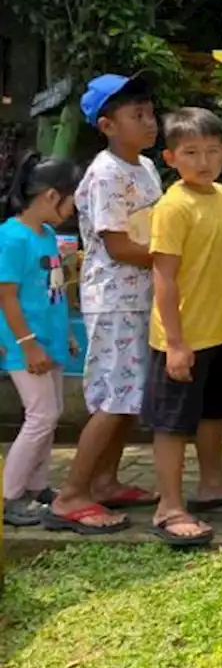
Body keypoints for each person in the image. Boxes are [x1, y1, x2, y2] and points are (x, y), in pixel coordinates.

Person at [48, 74, 162, 534]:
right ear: (107, 124)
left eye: (151, 114)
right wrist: (177, 254)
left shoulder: (145, 167)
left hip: (142, 297)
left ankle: (106, 480)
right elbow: (119, 247)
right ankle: (71, 494)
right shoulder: (106, 174)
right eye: (138, 116)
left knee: (129, 398)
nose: (150, 123)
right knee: (113, 400)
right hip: (116, 300)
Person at [141, 107, 222, 546]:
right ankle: (168, 505)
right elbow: (163, 277)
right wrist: (177, 342)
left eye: (212, 151)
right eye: (191, 152)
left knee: (213, 412)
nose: (203, 161)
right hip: (180, 337)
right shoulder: (172, 206)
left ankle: (212, 484)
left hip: (220, 331)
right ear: (171, 158)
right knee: (172, 423)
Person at [1, 154, 80, 528]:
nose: (74, 206)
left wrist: (64, 334)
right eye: (71, 198)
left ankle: (37, 485)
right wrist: (28, 344)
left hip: (49, 341)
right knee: (41, 416)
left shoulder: (47, 236)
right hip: (26, 345)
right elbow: (6, 296)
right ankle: (10, 495)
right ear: (52, 196)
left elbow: (54, 290)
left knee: (51, 415)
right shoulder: (11, 237)